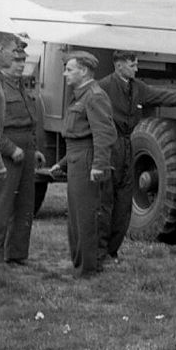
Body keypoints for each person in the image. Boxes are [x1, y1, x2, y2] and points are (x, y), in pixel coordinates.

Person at [96, 50, 176, 264]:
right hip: (110, 146)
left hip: (127, 146)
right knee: (106, 201)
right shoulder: (103, 87)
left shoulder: (137, 88)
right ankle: (99, 250)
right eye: (132, 65)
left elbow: (161, 96)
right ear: (119, 65)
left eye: (136, 64)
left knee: (124, 203)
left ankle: (112, 251)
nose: (136, 68)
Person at [60, 51, 116, 276]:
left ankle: (88, 268)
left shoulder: (94, 96)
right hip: (76, 158)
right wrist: (63, 163)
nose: (65, 74)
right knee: (75, 216)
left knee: (86, 216)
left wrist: (99, 165)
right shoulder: (81, 94)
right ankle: (79, 264)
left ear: (83, 71)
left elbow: (103, 134)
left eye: (69, 69)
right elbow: (78, 135)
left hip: (86, 161)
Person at [0, 33, 46, 266]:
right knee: (2, 206)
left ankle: (16, 254)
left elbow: (29, 120)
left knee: (25, 204)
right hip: (8, 150)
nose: (20, 65)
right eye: (16, 61)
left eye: (22, 61)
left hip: (25, 147)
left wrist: (32, 149)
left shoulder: (21, 85)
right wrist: (9, 148)